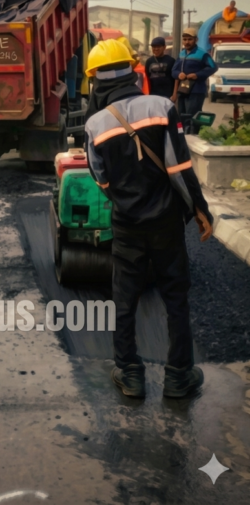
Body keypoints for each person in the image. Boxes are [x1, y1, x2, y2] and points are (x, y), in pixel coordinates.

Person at [84, 39, 214, 400]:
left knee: (124, 297)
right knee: (175, 295)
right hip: (166, 222)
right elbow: (179, 166)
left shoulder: (95, 124)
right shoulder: (162, 106)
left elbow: (100, 177)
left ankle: (129, 373)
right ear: (132, 69)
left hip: (127, 223)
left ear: (96, 79)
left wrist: (126, 200)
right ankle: (178, 375)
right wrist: (200, 210)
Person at [172, 27, 217, 134]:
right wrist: (179, 74)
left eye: (190, 39)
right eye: (185, 39)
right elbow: (174, 70)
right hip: (183, 90)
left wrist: (197, 75)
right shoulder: (182, 54)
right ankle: (183, 140)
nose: (187, 42)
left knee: (192, 117)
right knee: (181, 116)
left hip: (196, 91)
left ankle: (193, 139)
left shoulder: (202, 53)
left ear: (196, 40)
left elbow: (213, 67)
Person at [144, 37, 178, 102]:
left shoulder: (171, 61)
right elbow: (146, 78)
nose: (156, 49)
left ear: (164, 47)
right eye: (154, 47)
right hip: (153, 95)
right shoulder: (149, 61)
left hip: (168, 95)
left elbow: (175, 79)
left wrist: (174, 94)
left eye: (158, 46)